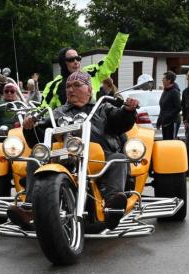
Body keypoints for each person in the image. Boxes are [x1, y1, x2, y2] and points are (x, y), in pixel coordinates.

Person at [8, 71, 139, 231]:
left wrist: (128, 111)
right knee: (35, 156)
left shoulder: (103, 108)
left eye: (77, 85)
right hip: (64, 158)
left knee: (117, 159)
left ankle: (112, 207)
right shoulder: (56, 112)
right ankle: (29, 209)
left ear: (89, 90)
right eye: (68, 86)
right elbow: (38, 139)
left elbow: (120, 121)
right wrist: (30, 128)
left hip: (99, 159)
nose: (71, 89)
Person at [41, 22, 132, 109]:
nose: (76, 61)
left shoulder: (90, 72)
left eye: (78, 58)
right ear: (63, 63)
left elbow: (111, 61)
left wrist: (122, 35)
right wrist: (31, 119)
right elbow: (43, 110)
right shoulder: (53, 85)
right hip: (66, 123)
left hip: (92, 122)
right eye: (71, 59)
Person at [157, 71, 181, 140]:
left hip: (173, 121)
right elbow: (163, 108)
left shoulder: (175, 92)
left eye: (163, 78)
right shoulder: (165, 90)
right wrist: (159, 120)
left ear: (169, 80)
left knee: (171, 142)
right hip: (165, 121)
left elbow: (178, 107)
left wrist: (168, 116)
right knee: (165, 141)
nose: (162, 80)